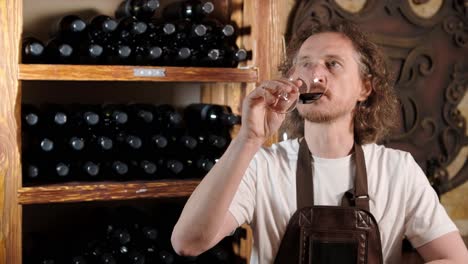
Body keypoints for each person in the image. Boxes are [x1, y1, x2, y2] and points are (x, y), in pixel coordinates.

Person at [171, 19, 468, 263]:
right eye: (305, 64)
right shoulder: (262, 166)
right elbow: (187, 243)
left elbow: (456, 260)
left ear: (365, 88)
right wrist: (249, 139)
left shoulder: (398, 170)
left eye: (332, 64)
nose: (315, 75)